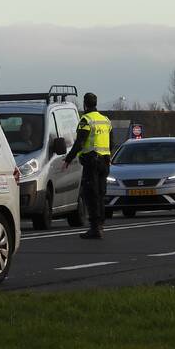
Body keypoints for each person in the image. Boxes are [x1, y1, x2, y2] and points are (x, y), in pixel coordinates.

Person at [63, 92, 112, 239]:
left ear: (85, 104)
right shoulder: (105, 120)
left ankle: (95, 228)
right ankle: (101, 224)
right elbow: (111, 142)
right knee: (101, 193)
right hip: (104, 161)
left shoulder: (86, 120)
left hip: (92, 162)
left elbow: (80, 143)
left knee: (91, 194)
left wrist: (68, 159)